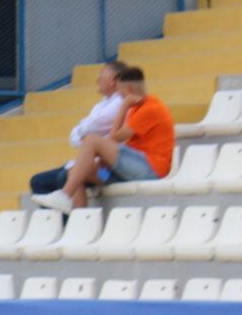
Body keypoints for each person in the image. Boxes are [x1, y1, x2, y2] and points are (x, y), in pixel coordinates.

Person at [37, 66, 176, 213]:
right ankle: (80, 222)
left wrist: (124, 106)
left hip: (150, 169)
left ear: (129, 89)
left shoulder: (150, 107)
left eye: (120, 90)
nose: (118, 94)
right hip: (128, 171)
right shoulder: (136, 109)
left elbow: (113, 138)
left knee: (91, 140)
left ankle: (64, 195)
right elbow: (114, 141)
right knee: (76, 170)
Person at [28, 60, 128, 196]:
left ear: (113, 81)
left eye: (101, 76)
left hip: (108, 172)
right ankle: (61, 217)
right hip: (89, 164)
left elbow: (90, 128)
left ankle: (72, 215)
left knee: (66, 176)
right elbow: (75, 138)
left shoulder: (119, 104)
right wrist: (83, 131)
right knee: (38, 181)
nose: (97, 80)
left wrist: (83, 130)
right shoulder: (101, 105)